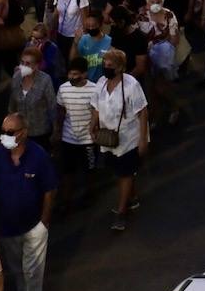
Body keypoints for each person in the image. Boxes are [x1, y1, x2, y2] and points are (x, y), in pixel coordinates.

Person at [0, 114, 56, 291]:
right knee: (17, 270)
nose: (4, 136)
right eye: (3, 131)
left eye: (10, 132)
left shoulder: (39, 156)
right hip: (6, 228)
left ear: (23, 132)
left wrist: (44, 222)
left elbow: (49, 190)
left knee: (33, 276)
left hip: (34, 228)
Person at [89, 50, 148, 232]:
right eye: (104, 65)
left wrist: (143, 140)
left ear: (121, 68)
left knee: (124, 173)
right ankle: (133, 196)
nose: (106, 68)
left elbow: (143, 112)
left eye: (110, 66)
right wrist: (93, 124)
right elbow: (97, 106)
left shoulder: (132, 85)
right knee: (122, 171)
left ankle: (121, 212)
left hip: (129, 138)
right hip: (109, 138)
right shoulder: (101, 83)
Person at [54, 57, 96, 210]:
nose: (72, 77)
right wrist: (58, 131)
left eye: (75, 74)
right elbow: (60, 111)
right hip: (68, 139)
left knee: (89, 170)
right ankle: (66, 201)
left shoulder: (94, 89)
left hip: (88, 140)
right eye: (70, 74)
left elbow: (96, 113)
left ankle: (89, 196)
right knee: (67, 172)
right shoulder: (63, 89)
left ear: (84, 74)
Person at [8, 47, 56, 151]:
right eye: (22, 62)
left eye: (28, 63)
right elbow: (12, 105)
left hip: (40, 132)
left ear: (36, 65)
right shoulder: (16, 77)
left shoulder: (45, 80)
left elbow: (52, 106)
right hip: (20, 132)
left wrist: (56, 130)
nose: (24, 66)